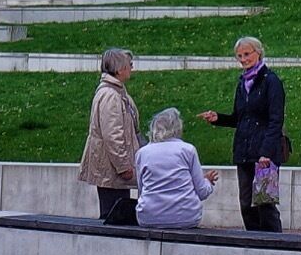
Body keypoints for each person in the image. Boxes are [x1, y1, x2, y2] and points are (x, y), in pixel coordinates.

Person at [200, 35, 287, 232]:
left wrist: (266, 152)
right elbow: (239, 118)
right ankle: (253, 241)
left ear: (258, 53)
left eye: (247, 54)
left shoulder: (271, 81)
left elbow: (275, 121)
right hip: (244, 152)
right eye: (239, 56)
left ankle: (274, 243)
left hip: (265, 154)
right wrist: (218, 119)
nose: (243, 59)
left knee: (265, 204)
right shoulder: (242, 84)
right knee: (246, 204)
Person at [78, 47, 140, 224]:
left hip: (114, 169)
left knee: (119, 214)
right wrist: (123, 166)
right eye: (130, 65)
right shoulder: (110, 95)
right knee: (113, 216)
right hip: (111, 170)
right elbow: (113, 135)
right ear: (120, 69)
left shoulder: (117, 91)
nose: (132, 68)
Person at [132, 108, 220, 230]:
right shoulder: (187, 150)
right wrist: (208, 181)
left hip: (148, 217)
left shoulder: (142, 153)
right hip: (186, 217)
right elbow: (202, 192)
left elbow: (142, 190)